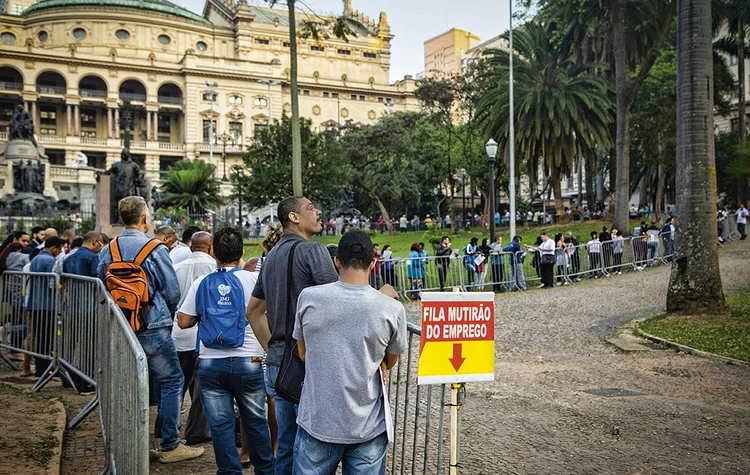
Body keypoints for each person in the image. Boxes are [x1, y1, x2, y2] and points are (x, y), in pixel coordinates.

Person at [97, 196, 203, 463]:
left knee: (127, 384)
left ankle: (130, 443)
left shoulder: (108, 249)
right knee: (172, 380)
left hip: (120, 326)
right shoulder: (154, 249)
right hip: (152, 325)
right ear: (144, 218)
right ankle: (170, 444)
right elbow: (171, 291)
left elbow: (101, 287)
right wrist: (161, 314)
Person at [291, 230, 406, 474]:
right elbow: (391, 358)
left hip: (319, 420)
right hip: (368, 425)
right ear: (373, 263)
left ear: (336, 261)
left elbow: (303, 352)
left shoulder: (309, 298)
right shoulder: (392, 308)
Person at [246, 196, 339, 474]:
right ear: (294, 218)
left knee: (286, 442)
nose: (318, 211)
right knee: (311, 448)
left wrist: (273, 348)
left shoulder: (270, 255)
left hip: (278, 364)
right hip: (306, 364)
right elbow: (338, 302)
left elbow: (253, 312)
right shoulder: (313, 252)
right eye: (311, 208)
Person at [177, 228, 273, 475]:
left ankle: (229, 471)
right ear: (242, 252)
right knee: (255, 421)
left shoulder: (202, 283)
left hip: (211, 363)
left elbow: (184, 321)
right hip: (249, 361)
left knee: (220, 426)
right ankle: (265, 469)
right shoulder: (253, 281)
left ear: (213, 253)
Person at [170, 231, 215, 446]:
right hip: (203, 334)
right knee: (200, 388)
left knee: (176, 384)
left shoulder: (177, 268)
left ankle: (166, 427)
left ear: (191, 246)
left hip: (179, 332)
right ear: (210, 246)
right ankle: (196, 430)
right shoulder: (214, 269)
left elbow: (171, 298)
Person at [27, 236, 64, 378]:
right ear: (53, 247)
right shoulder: (49, 260)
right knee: (47, 338)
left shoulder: (36, 258)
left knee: (40, 337)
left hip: (34, 303)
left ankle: (40, 369)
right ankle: (43, 370)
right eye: (58, 249)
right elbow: (53, 283)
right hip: (46, 304)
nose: (59, 252)